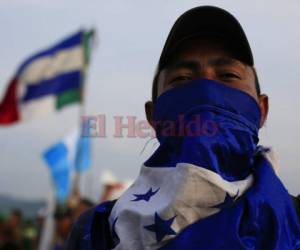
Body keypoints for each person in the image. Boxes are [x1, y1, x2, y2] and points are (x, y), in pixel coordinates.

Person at [66, 6, 300, 249]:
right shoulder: (97, 232)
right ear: (153, 115)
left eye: (228, 75)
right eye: (182, 79)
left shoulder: (294, 221)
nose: (206, 89)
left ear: (261, 109)